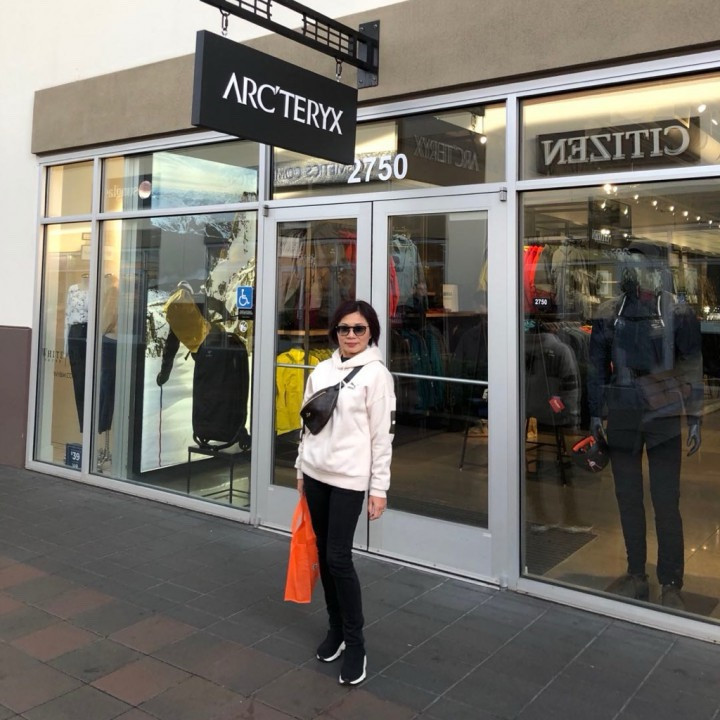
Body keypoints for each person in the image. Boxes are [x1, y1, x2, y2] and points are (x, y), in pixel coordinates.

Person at [588, 243, 703, 610]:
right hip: (623, 410)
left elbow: (691, 363)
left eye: (638, 266)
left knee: (666, 500)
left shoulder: (676, 312)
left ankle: (671, 581)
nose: (632, 272)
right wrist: (595, 413)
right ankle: (636, 572)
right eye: (627, 266)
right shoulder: (609, 312)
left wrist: (694, 415)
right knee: (628, 497)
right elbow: (596, 366)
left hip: (663, 411)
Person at [295, 299, 396, 685]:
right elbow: (306, 424)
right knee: (324, 555)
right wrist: (300, 468)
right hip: (315, 474)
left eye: (359, 329)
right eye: (343, 328)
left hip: (349, 481)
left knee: (338, 558)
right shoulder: (321, 370)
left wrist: (379, 488)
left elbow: (382, 438)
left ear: (371, 333)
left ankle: (355, 644)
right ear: (334, 331)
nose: (350, 335)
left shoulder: (377, 376)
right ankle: (335, 630)